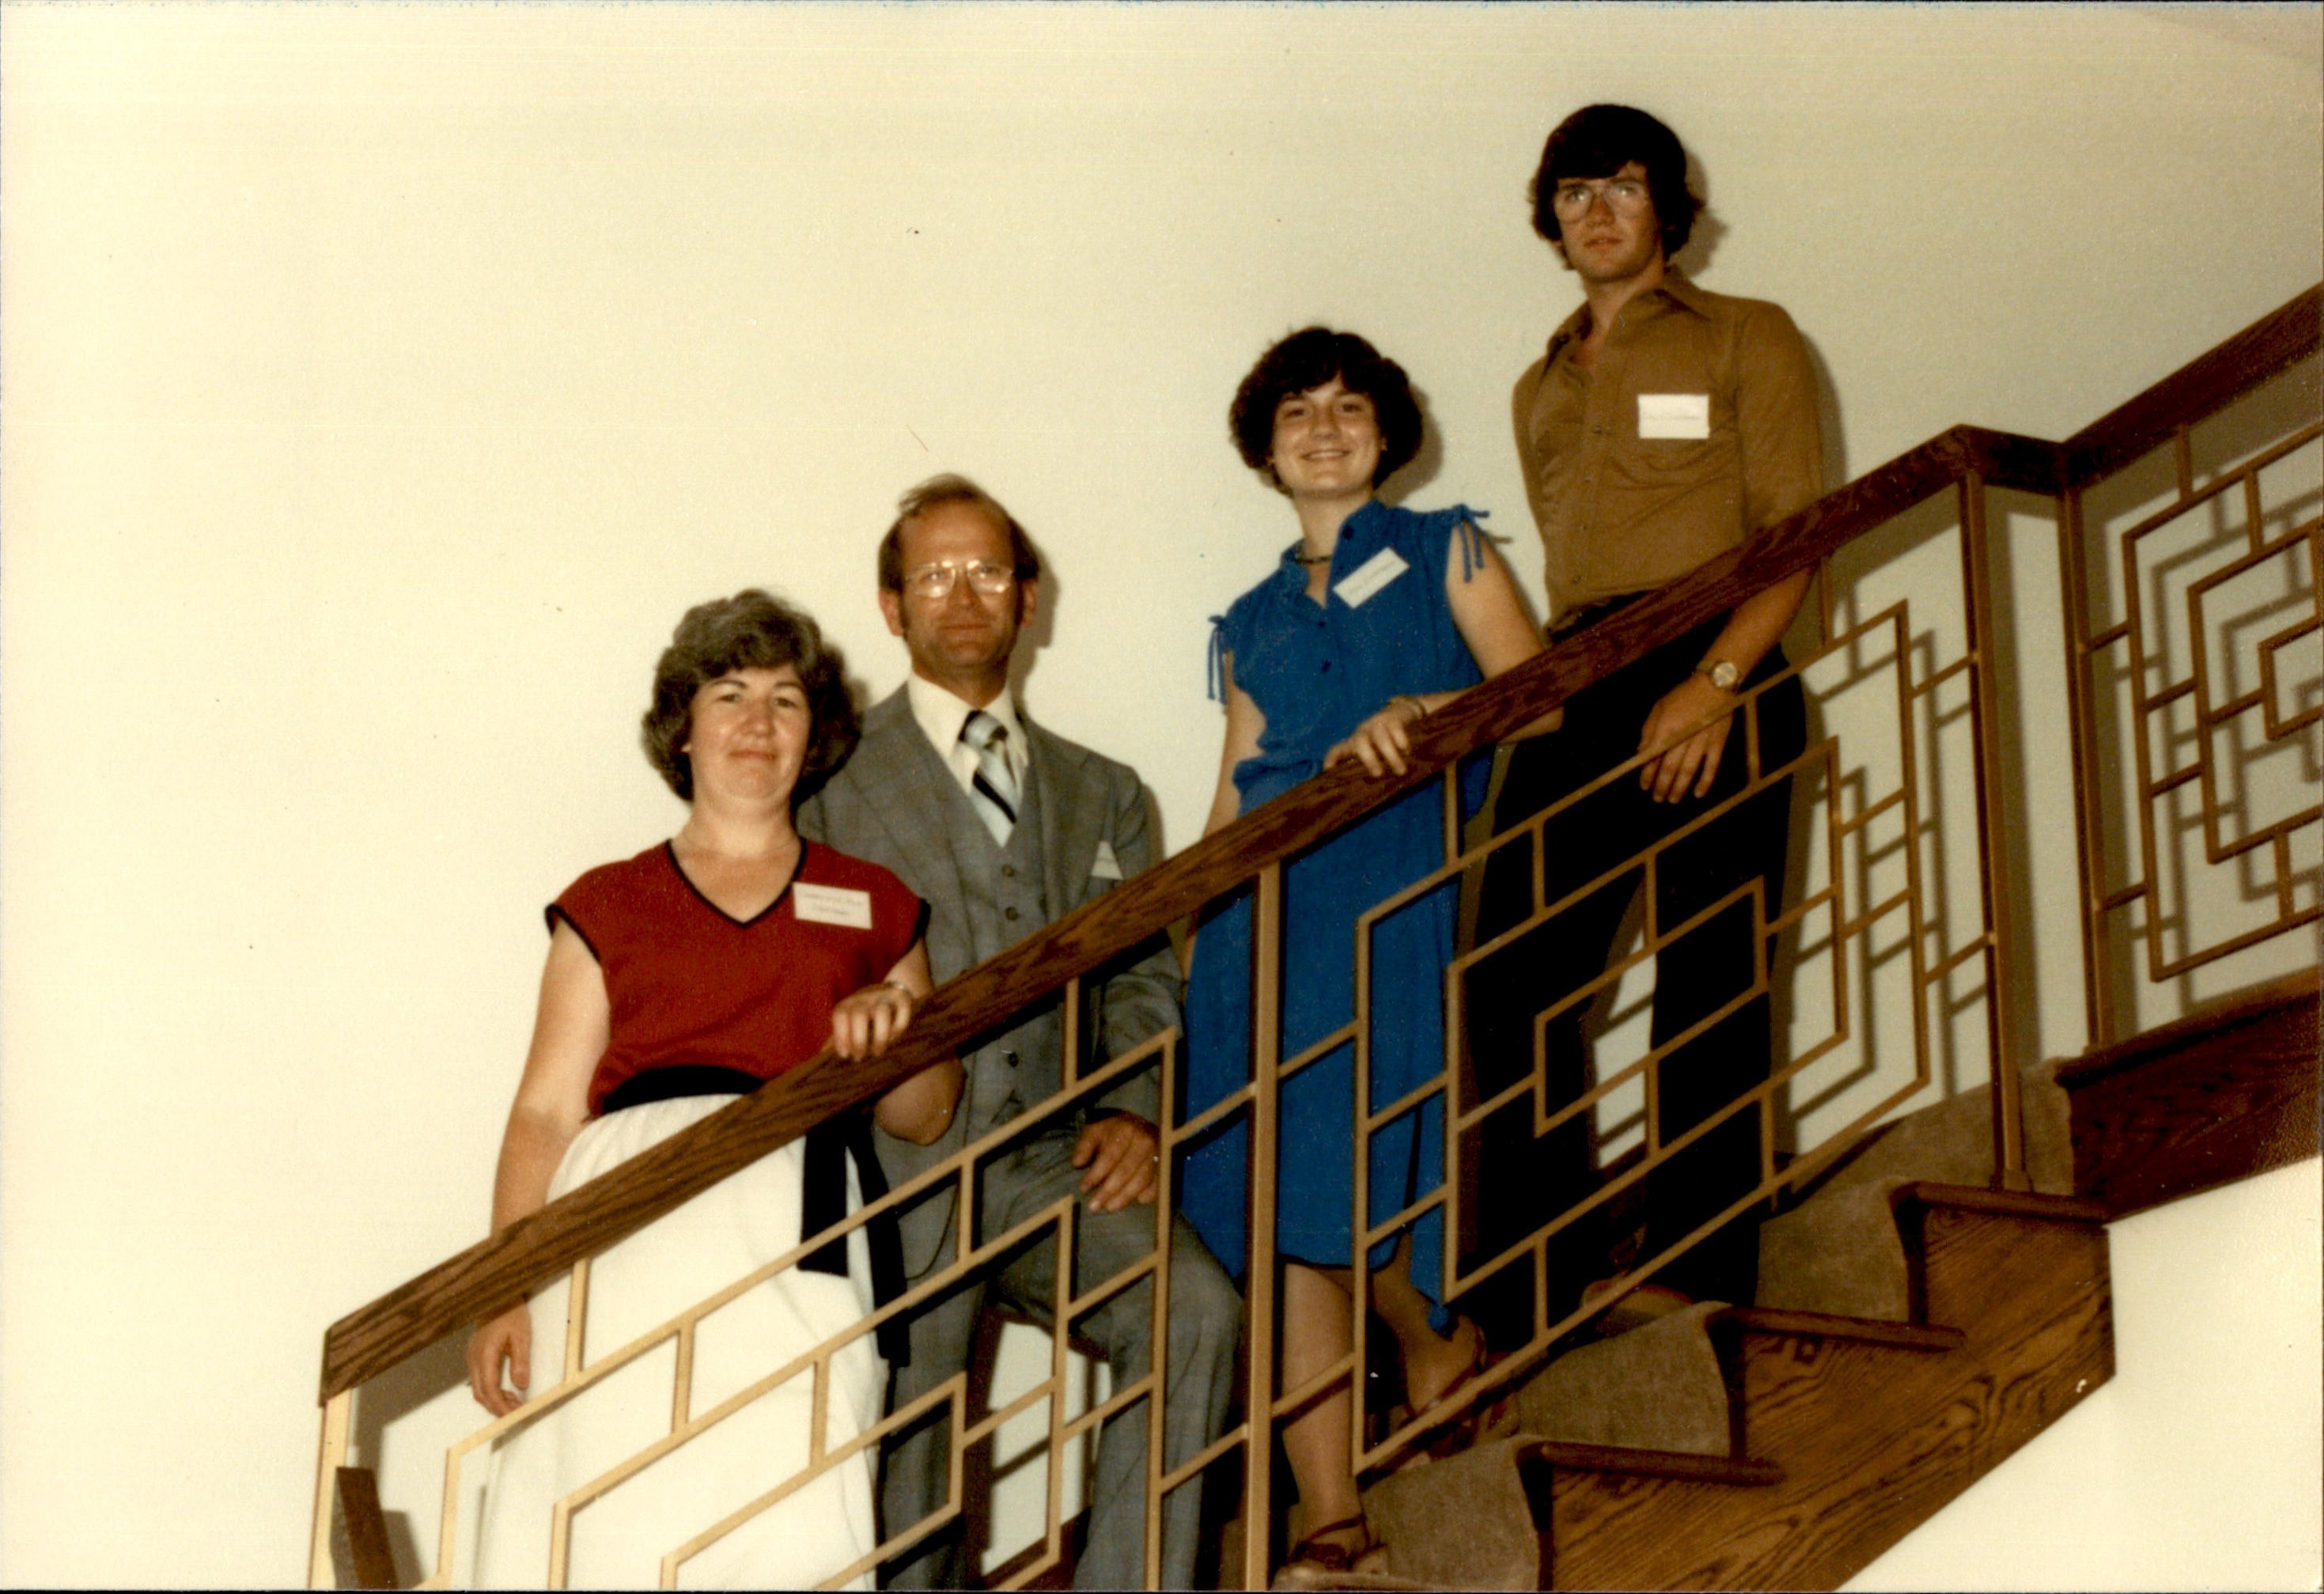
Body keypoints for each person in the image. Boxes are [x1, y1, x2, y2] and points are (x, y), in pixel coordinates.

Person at [464, 591, 963, 1589]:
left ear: (812, 735)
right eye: (728, 694)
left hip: (802, 1230)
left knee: (794, 1506)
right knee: (612, 1497)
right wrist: (500, 1288)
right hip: (625, 1227)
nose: (756, 723)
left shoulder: (872, 900)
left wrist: (892, 1042)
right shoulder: (607, 900)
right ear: (681, 731)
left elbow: (930, 1110)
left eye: (784, 700)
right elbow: (545, 1111)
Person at [794, 475, 1238, 1592]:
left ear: (1027, 597)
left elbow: (1141, 978)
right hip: (891, 1183)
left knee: (1194, 1310)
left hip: (1053, 1158)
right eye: (933, 574)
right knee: (908, 1478)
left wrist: (1133, 1105)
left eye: (986, 570)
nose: (962, 596)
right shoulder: (827, 783)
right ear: (891, 606)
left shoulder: (1108, 792)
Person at [1179, 328, 1545, 1581]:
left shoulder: (1450, 543)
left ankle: (1435, 1343)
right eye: (1297, 412)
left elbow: (1540, 693)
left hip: (1387, 896)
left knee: (1366, 1155)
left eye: (1347, 407)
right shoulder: (1248, 615)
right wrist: (1180, 942)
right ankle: (1331, 1513)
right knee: (1280, 1212)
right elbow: (1233, 791)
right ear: (1265, 448)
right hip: (1257, 929)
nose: (1323, 427)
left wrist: (1426, 713)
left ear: (1385, 431)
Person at [1466, 104, 1819, 1336]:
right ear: (1550, 218)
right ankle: (1522, 1293)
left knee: (1710, 966)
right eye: (1571, 192)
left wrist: (1715, 680)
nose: (1596, 209)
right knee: (1505, 973)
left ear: (1665, 206)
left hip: (1716, 659)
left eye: (1621, 184)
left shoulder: (1746, 335)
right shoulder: (1537, 382)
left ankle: (1695, 1265)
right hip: (1584, 674)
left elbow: (1794, 535)